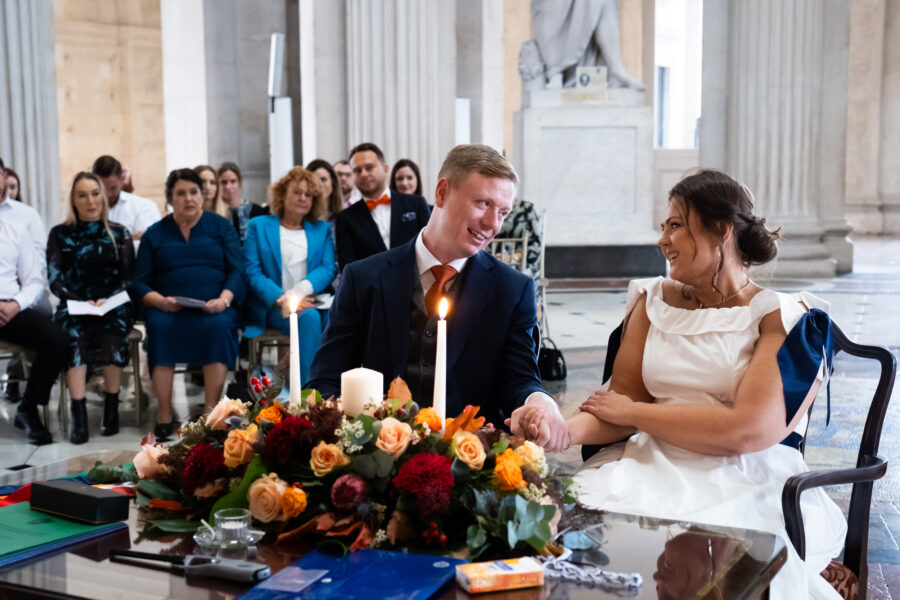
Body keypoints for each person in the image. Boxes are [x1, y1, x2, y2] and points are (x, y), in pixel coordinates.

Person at [510, 169, 846, 598]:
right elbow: (620, 401)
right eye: (662, 227)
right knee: (564, 537)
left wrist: (635, 414)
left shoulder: (783, 317)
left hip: (743, 477)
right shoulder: (653, 302)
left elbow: (746, 430)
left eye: (675, 226)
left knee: (724, 556)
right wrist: (560, 429)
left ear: (721, 232)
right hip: (643, 464)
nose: (662, 240)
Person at [308, 144, 559, 429]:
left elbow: (520, 379)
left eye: (503, 212)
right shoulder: (363, 278)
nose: (493, 225)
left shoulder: (513, 290)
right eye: (483, 204)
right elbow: (326, 378)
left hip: (472, 459)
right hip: (377, 454)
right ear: (442, 193)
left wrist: (537, 400)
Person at [133, 168, 245, 440]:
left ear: (202, 195)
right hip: (169, 309)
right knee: (159, 326)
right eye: (180, 193)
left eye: (193, 192)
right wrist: (159, 300)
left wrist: (224, 299)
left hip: (213, 308)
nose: (188, 198)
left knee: (218, 325)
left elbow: (238, 270)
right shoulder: (155, 234)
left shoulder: (221, 227)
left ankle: (210, 413)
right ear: (170, 198)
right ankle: (164, 414)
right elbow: (139, 282)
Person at [47, 172, 135, 444]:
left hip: (113, 304)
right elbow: (55, 279)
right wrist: (79, 300)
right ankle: (79, 414)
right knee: (72, 337)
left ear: (103, 196)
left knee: (113, 333)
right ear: (73, 200)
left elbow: (130, 279)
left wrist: (109, 300)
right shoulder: (60, 234)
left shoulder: (119, 233)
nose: (90, 200)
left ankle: (111, 409)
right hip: (74, 305)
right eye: (82, 195)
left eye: (95, 193)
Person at [244, 167, 337, 385]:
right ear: (283, 194)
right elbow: (251, 271)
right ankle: (309, 394)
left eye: (308, 195)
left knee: (339, 316)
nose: (303, 198)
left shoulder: (321, 229)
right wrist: (283, 298)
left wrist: (298, 292)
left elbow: (327, 268)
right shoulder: (258, 226)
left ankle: (334, 390)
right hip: (274, 306)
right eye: (297, 192)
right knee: (309, 318)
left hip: (313, 301)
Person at [0, 157, 68, 445]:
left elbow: (34, 281)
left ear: (4, 178)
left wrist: (15, 303)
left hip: (9, 307)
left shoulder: (15, 229)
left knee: (58, 340)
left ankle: (28, 407)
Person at [333, 143, 431, 271]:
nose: (363, 174)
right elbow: (348, 268)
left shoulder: (416, 204)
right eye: (357, 170)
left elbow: (432, 249)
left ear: (385, 169)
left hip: (417, 286)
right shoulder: (345, 218)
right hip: (371, 289)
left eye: (369, 167)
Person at [91, 155, 161, 241]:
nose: (109, 194)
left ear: (122, 180)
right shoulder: (85, 209)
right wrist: (128, 240)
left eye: (113, 188)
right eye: (103, 189)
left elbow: (151, 241)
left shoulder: (144, 206)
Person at [218, 161, 268, 244]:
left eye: (233, 181)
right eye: (224, 182)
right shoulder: (214, 212)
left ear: (239, 183)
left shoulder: (257, 211)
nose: (228, 187)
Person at [496, 198, 542, 282]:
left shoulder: (526, 208)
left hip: (522, 263)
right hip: (494, 260)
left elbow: (536, 246)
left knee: (514, 280)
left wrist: (514, 257)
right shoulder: (491, 207)